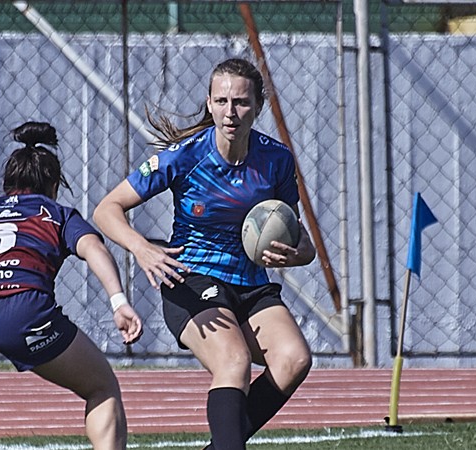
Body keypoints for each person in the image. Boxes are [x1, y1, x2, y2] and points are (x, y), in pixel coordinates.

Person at [93, 58, 316, 450]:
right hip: (192, 279)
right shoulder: (185, 155)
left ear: (259, 106)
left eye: (242, 102)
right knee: (233, 362)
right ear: (210, 104)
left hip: (250, 283)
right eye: (222, 101)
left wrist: (294, 254)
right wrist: (143, 249)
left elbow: (304, 244)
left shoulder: (276, 159)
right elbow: (105, 209)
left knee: (295, 359)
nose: (231, 112)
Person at [0, 121, 143, 450]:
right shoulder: (56, 213)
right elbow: (95, 249)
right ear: (53, 185)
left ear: (7, 184)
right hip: (24, 310)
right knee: (101, 386)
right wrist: (118, 301)